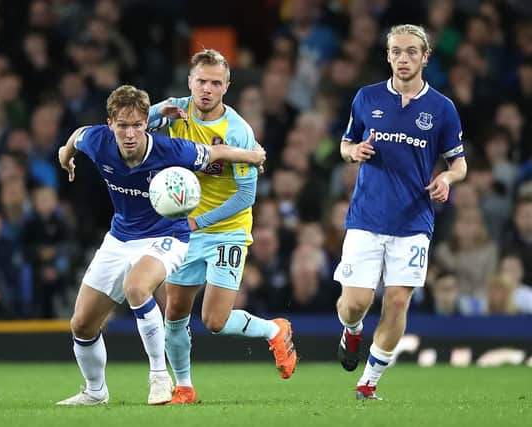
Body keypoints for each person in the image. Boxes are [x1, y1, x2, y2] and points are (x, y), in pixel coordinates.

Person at [55, 85, 265, 406]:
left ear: (146, 124)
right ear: (110, 123)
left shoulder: (170, 150)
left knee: (137, 287)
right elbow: (76, 137)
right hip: (120, 238)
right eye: (122, 125)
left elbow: (216, 152)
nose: (129, 134)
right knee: (81, 325)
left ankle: (159, 377)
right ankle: (95, 392)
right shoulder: (97, 141)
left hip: (167, 235)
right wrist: (66, 156)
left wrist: (253, 156)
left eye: (137, 125)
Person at [148, 49, 298, 404]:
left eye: (216, 83)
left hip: (226, 229)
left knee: (214, 320)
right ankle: (184, 386)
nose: (207, 89)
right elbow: (131, 124)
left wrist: (198, 220)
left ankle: (273, 330)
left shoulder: (238, 132)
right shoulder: (173, 113)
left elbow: (245, 197)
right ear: (189, 82)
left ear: (226, 87)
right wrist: (155, 111)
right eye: (201, 81)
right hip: (184, 230)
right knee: (174, 312)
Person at [333, 25, 467, 400]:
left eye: (411, 52)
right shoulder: (366, 97)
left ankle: (369, 381)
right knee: (355, 303)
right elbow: (345, 142)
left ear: (425, 57)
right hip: (366, 216)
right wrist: (352, 151)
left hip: (413, 221)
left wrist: (447, 178)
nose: (403, 58)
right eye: (396, 52)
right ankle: (352, 328)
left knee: (396, 299)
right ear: (388, 55)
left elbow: (460, 164)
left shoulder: (442, 108)